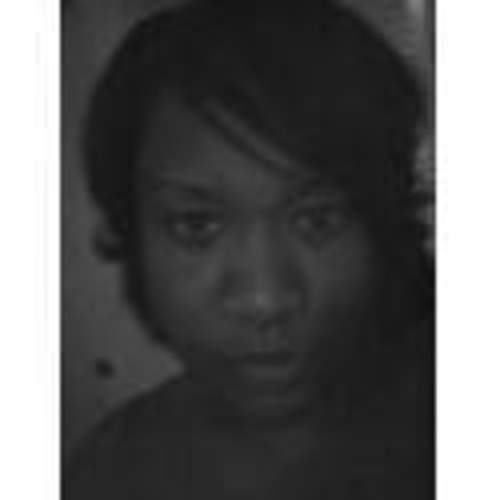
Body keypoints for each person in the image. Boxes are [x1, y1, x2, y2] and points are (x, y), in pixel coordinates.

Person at [64, 0, 434, 498]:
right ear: (130, 235)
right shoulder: (107, 472)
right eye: (196, 225)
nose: (265, 299)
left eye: (317, 220)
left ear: (383, 225)